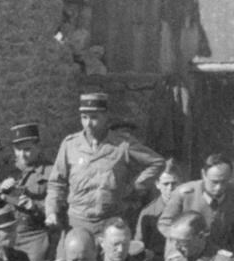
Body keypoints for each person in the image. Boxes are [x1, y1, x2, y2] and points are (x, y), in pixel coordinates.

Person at [45, 89, 166, 239]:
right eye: (84, 117)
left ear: (106, 116)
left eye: (94, 117)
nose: (88, 123)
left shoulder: (122, 144)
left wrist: (134, 187)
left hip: (110, 223)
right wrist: (51, 211)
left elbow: (157, 163)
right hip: (77, 222)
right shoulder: (70, 145)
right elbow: (56, 183)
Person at [159, 154, 234, 261]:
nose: (219, 187)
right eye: (214, 182)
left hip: (220, 260)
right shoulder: (184, 194)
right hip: (185, 256)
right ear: (203, 175)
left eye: (224, 181)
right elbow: (165, 223)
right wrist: (183, 240)